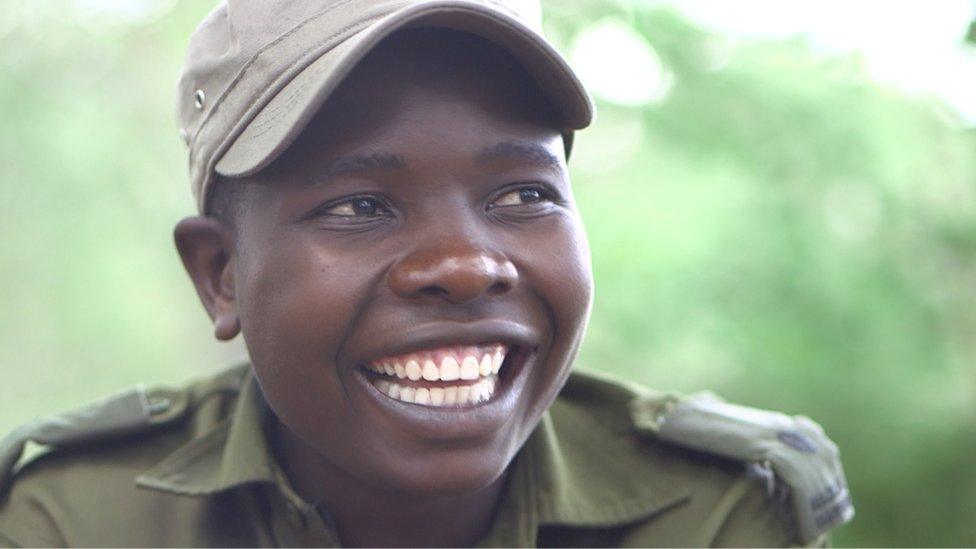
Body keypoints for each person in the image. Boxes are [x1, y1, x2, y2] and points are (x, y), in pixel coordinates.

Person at [0, 0, 854, 546]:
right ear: (221, 274)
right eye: (361, 206)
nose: (467, 264)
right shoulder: (80, 519)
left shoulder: (711, 515)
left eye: (522, 192)